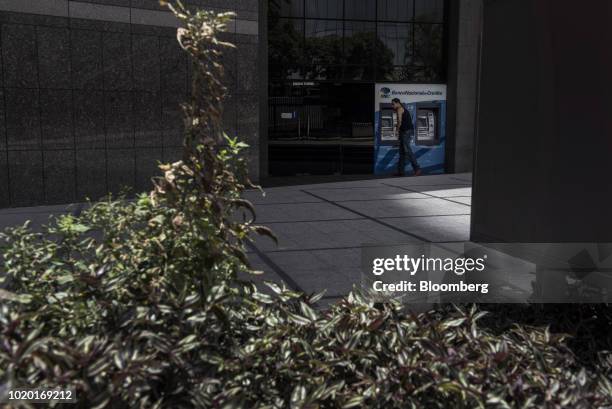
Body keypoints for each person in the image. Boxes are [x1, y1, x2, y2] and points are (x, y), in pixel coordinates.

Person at [392, 98, 422, 176]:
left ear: (397, 103)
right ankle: (401, 172)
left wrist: (396, 130)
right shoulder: (402, 109)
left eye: (393, 104)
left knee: (407, 150)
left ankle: (417, 168)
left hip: (406, 132)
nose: (392, 106)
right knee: (402, 152)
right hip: (405, 131)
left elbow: (399, 121)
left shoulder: (399, 109)